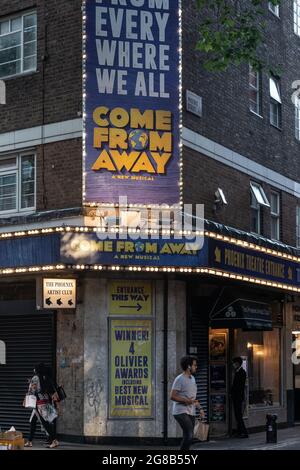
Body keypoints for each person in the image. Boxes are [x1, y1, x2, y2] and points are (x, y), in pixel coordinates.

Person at [170, 356, 205, 451]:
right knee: (189, 434)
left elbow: (193, 398)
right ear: (189, 366)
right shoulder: (179, 379)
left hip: (191, 411)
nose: (196, 367)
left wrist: (200, 409)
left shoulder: (192, 378)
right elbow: (172, 396)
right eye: (194, 365)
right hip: (180, 411)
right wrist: (186, 401)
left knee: (189, 435)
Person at [24, 363, 59, 448]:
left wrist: (25, 399)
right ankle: (30, 441)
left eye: (34, 369)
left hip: (38, 404)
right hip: (44, 403)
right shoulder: (46, 378)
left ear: (37, 370)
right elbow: (52, 392)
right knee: (33, 421)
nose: (34, 370)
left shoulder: (35, 378)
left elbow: (31, 390)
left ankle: (54, 440)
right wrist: (57, 404)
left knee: (45, 423)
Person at [231, 356, 248, 438]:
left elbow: (239, 386)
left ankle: (244, 432)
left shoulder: (242, 372)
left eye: (234, 363)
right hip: (236, 397)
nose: (233, 364)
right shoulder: (237, 372)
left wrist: (233, 393)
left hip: (238, 397)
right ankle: (240, 431)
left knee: (238, 415)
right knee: (237, 415)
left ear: (237, 363)